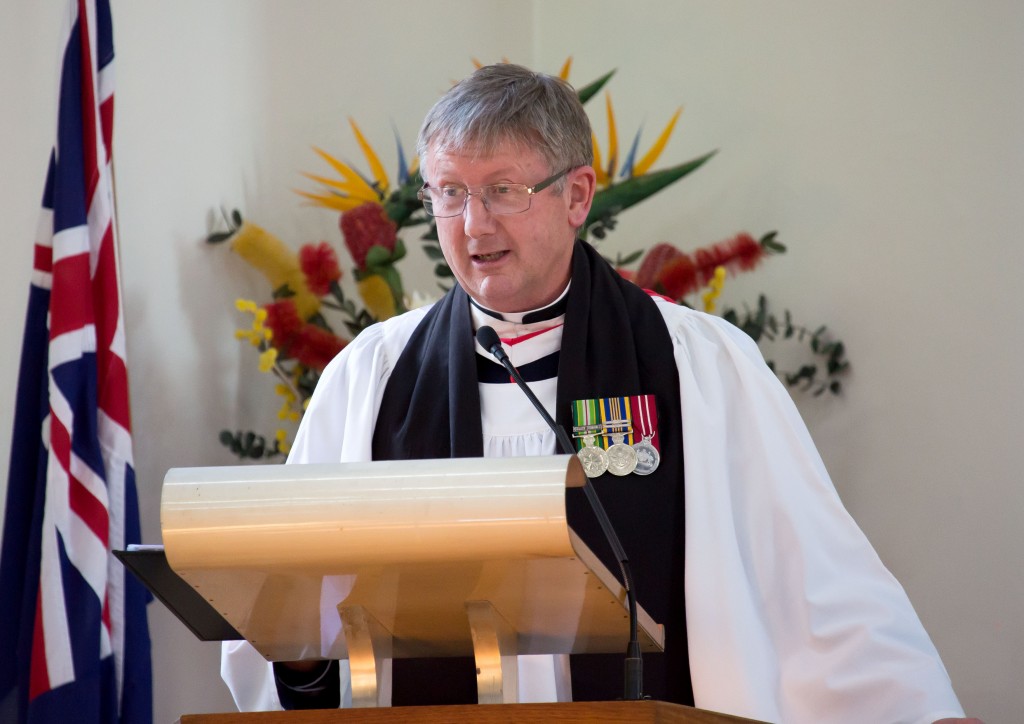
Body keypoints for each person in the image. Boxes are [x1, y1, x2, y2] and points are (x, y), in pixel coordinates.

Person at [221, 63, 976, 723]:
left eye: (503, 190)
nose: (471, 224)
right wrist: (295, 653)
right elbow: (293, 609)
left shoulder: (700, 365)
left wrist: (918, 709)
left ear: (577, 194)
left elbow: (816, 577)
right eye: (447, 194)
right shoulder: (374, 377)